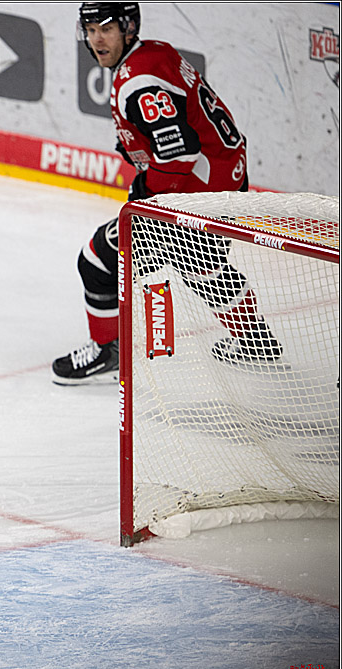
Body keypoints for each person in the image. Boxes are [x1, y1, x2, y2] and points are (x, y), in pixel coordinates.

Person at [52, 2, 282, 385]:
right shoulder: (155, 52)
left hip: (193, 193)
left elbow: (179, 154)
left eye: (105, 29)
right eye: (90, 30)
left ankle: (108, 350)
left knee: (97, 260)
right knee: (204, 267)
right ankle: (255, 341)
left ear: (128, 27)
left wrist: (146, 197)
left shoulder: (139, 79)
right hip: (225, 178)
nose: (96, 40)